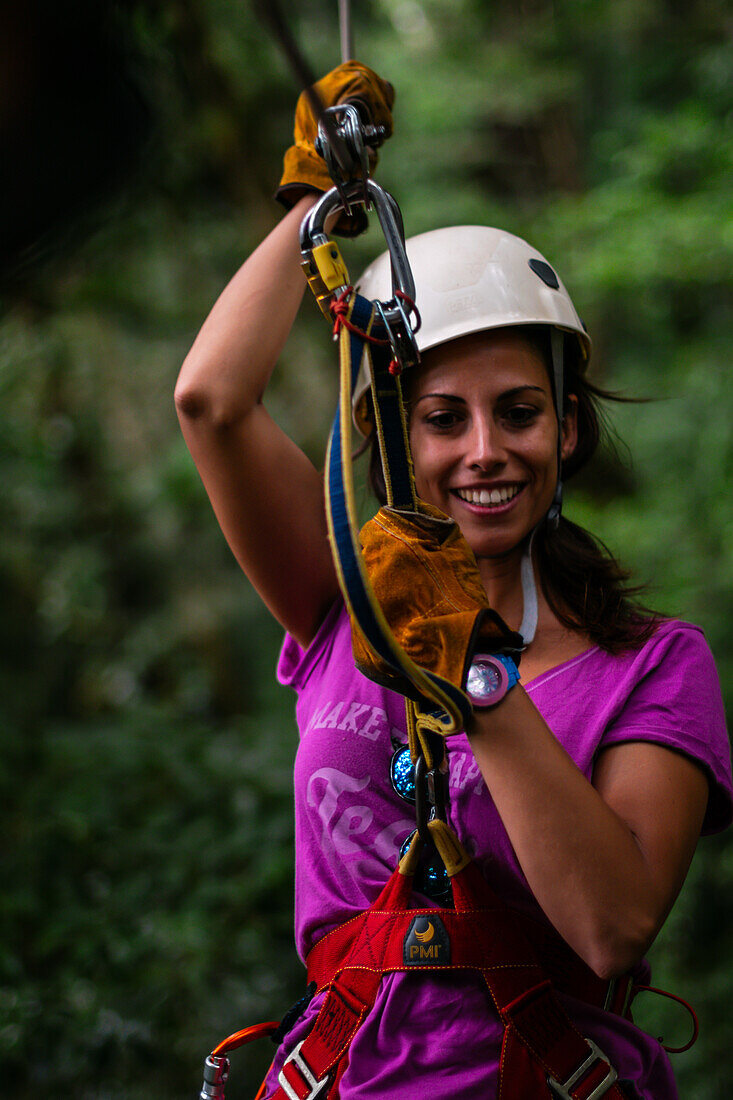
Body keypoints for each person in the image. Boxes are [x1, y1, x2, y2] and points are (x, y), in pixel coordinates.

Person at [175, 64, 732, 1100]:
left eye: (518, 412)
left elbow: (611, 929)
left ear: (565, 429)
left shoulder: (651, 666)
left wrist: (473, 668)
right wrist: (314, 208)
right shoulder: (342, 601)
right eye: (443, 418)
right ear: (397, 433)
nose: (485, 450)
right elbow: (210, 399)